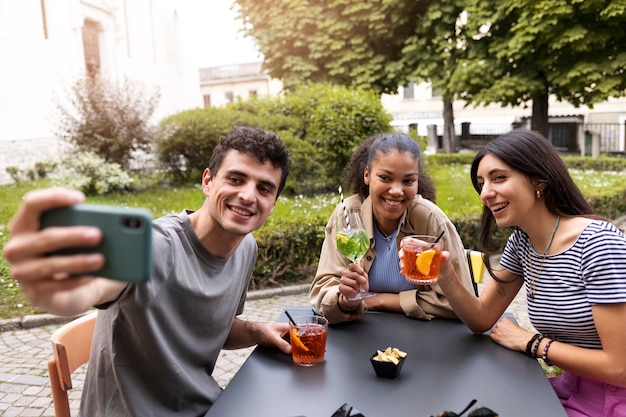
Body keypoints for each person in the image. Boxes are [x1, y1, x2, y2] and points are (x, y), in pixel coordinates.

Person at [3, 126, 293, 416]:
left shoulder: (246, 248)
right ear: (208, 181)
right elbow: (95, 286)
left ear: (273, 205)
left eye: (264, 188)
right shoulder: (156, 245)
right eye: (235, 179)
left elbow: (213, 326)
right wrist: (62, 291)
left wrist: (258, 331)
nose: (247, 195)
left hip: (202, 406)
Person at [407, 129, 626, 417]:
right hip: (568, 388)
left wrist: (531, 342)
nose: (485, 193)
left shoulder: (598, 243)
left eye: (499, 178)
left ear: (539, 181)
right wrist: (445, 273)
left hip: (612, 399)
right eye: (481, 183)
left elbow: (619, 367)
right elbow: (481, 318)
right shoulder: (522, 242)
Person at [310, 133, 474, 324]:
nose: (396, 190)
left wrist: (380, 301)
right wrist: (345, 299)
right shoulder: (347, 216)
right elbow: (321, 292)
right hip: (360, 335)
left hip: (424, 334)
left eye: (408, 181)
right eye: (385, 178)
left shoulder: (432, 221)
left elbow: (463, 304)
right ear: (367, 175)